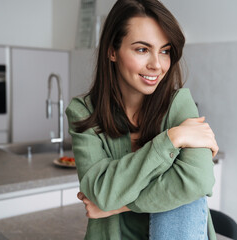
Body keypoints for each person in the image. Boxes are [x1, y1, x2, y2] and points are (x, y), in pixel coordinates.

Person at [66, 0, 219, 239]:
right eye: (142, 49)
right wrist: (171, 138)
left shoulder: (178, 103)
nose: (156, 65)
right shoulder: (83, 111)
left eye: (165, 51)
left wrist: (120, 205)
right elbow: (101, 193)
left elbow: (198, 181)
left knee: (187, 199)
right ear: (112, 51)